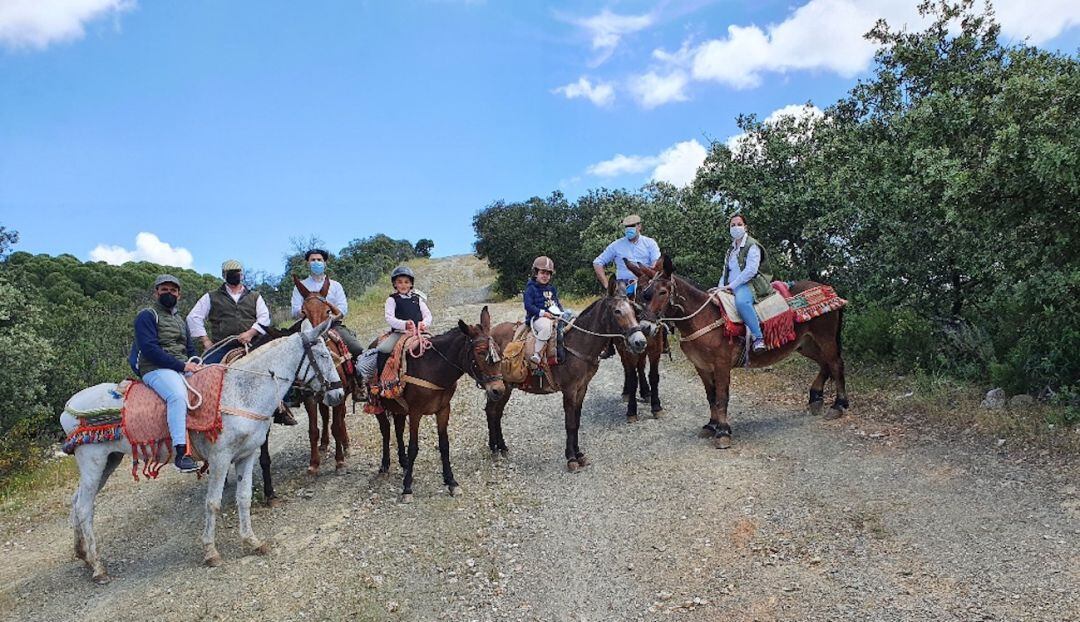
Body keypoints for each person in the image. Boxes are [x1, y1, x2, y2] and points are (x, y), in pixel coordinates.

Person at [128, 274, 201, 473]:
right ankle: (181, 452)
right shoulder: (147, 315)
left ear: (179, 294)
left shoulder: (180, 319)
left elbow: (190, 348)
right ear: (156, 292)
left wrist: (198, 363)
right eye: (164, 290)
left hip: (180, 366)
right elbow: (150, 349)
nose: (169, 293)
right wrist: (182, 366)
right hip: (155, 369)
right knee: (177, 396)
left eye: (173, 290)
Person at [592, 214, 664, 357]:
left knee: (660, 302)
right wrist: (607, 285)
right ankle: (609, 345)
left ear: (639, 226)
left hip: (644, 282)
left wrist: (649, 276)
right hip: (622, 285)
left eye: (632, 226)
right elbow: (597, 262)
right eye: (626, 227)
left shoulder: (650, 243)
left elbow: (656, 264)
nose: (628, 229)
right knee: (609, 308)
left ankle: (663, 341)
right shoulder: (616, 245)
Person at [186, 259, 271, 365]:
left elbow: (264, 318)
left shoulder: (255, 296)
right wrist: (206, 341)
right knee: (204, 371)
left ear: (241, 274)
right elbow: (193, 317)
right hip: (223, 346)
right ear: (223, 275)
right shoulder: (211, 296)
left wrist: (250, 333)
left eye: (236, 272)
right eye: (230, 273)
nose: (234, 275)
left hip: (254, 343)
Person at [357, 265, 433, 383]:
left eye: (406, 282)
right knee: (383, 349)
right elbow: (389, 318)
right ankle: (380, 379)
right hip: (399, 333)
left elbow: (428, 315)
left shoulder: (418, 299)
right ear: (395, 284)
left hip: (419, 332)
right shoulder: (392, 300)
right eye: (400, 282)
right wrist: (404, 324)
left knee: (435, 345)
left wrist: (424, 323)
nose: (403, 285)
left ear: (411, 284)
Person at [290, 249, 363, 358]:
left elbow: (342, 308)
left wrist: (329, 319)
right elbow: (295, 310)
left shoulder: (335, 285)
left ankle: (358, 372)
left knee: (357, 349)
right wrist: (309, 313)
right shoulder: (300, 286)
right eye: (312, 260)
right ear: (308, 264)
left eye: (319, 260)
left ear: (325, 263)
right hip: (307, 326)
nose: (316, 262)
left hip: (332, 324)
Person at [717, 214, 773, 354]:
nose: (736, 227)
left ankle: (758, 338)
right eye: (733, 225)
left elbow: (751, 271)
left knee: (741, 302)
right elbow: (726, 272)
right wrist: (719, 288)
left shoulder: (752, 245)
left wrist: (732, 286)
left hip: (748, 284)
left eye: (739, 224)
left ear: (745, 227)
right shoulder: (730, 250)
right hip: (730, 285)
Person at [524, 256, 564, 364]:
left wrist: (561, 312)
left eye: (548, 273)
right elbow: (528, 306)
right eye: (542, 272)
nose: (545, 276)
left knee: (572, 316)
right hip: (536, 317)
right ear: (536, 273)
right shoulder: (530, 289)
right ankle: (537, 354)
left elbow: (556, 303)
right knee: (546, 327)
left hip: (552, 315)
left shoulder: (551, 289)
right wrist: (543, 313)